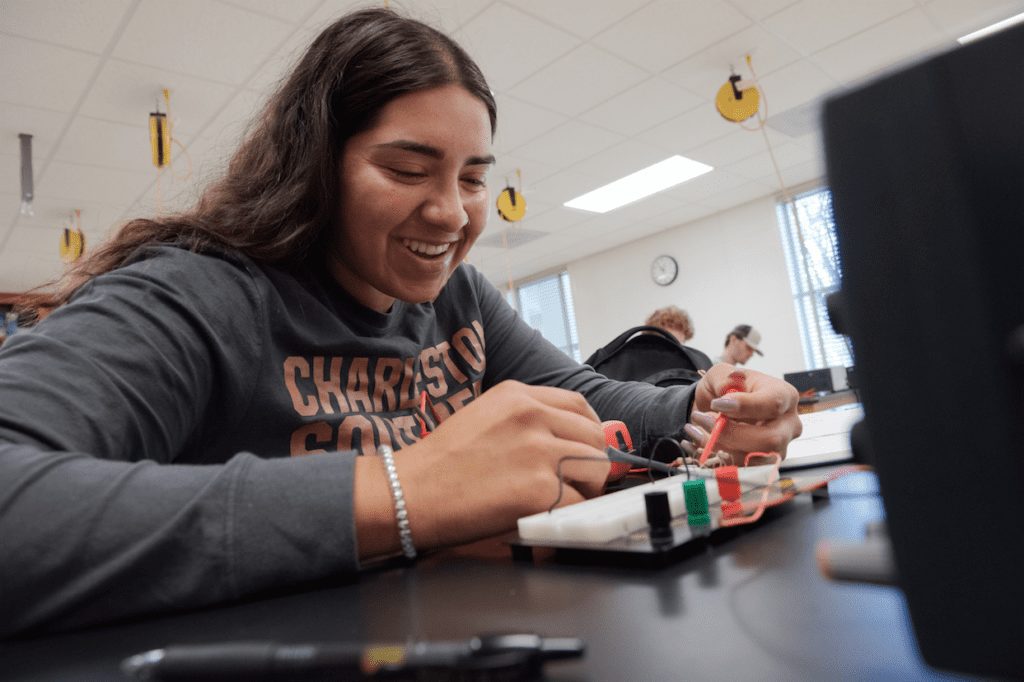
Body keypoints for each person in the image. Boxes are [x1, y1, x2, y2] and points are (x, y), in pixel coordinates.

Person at [0, 8, 801, 637]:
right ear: (314, 167)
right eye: (407, 170)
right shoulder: (199, 296)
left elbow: (589, 402)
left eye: (474, 177)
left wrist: (707, 410)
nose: (451, 213)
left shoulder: (459, 299)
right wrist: (401, 489)